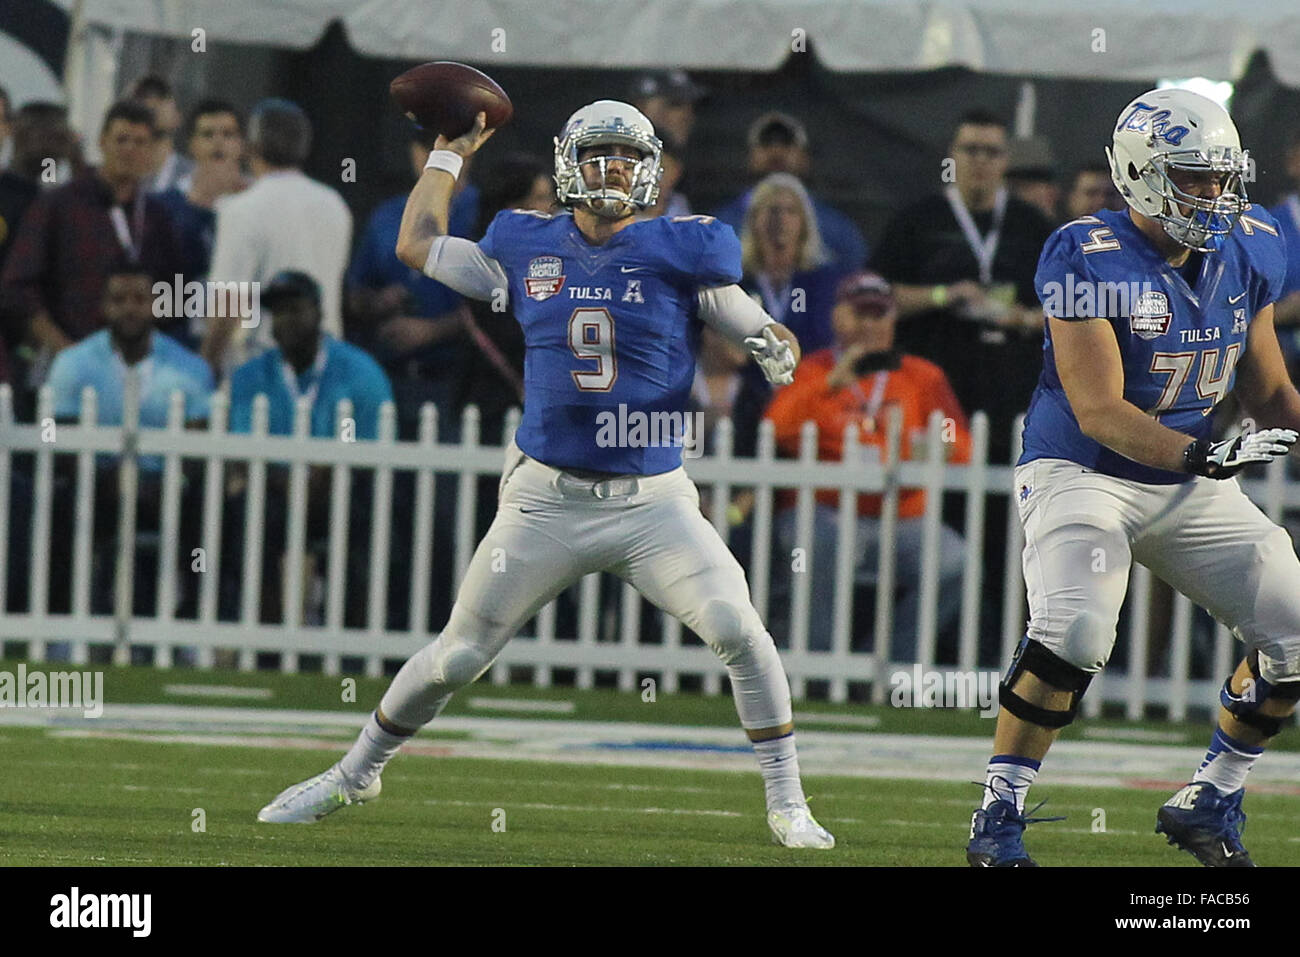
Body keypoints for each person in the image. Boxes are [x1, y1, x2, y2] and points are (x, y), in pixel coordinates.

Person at [257, 99, 835, 849]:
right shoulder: (525, 244)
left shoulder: (683, 248)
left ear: (652, 169)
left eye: (628, 157)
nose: (615, 170)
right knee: (457, 655)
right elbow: (417, 242)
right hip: (546, 500)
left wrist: (766, 335)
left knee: (740, 631)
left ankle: (788, 801)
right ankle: (354, 771)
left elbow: (738, 309)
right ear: (569, 166)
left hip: (652, 502)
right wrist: (447, 153)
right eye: (600, 155)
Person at [966, 88, 1300, 868]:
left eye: (1223, 178)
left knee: (1295, 629)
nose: (1216, 196)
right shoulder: (1087, 253)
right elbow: (1099, 410)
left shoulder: (1249, 245)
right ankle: (998, 813)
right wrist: (1200, 455)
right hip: (1085, 471)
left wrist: (1215, 452)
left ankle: (1211, 798)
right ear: (1142, 174)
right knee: (1076, 631)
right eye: (1196, 178)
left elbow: (1269, 392)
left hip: (1190, 473)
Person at [766, 271, 970, 659]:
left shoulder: (923, 377)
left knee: (955, 561)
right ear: (837, 318)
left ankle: (889, 661)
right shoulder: (812, 370)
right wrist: (832, 386)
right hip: (825, 509)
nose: (870, 325)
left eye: (879, 315)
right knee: (819, 543)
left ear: (893, 321)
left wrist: (925, 446)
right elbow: (776, 428)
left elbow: (959, 442)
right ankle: (818, 662)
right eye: (860, 314)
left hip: (902, 516)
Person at [871, 108, 1053, 466]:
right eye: (971, 150)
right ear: (952, 156)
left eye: (992, 152)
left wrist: (1019, 318)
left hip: (1011, 390)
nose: (981, 161)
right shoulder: (917, 220)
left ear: (1006, 162)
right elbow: (877, 298)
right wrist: (944, 295)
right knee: (938, 491)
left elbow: (1068, 311)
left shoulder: (1033, 226)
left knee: (1004, 497)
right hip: (934, 384)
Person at [223, 271, 394, 627]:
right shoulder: (250, 376)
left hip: (339, 494)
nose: (285, 321)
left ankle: (352, 634)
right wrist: (286, 483)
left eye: (295, 309)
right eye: (278, 313)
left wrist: (325, 475)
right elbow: (242, 451)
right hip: (273, 493)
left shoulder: (361, 373)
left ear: (319, 312)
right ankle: (264, 635)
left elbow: (374, 455)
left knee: (366, 512)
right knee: (245, 512)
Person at [45, 261, 212, 615]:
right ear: (104, 307)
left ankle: (194, 616)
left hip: (169, 489)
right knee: (56, 505)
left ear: (156, 304)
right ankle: (61, 615)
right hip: (96, 487)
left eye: (140, 298)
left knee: (210, 521)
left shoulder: (191, 369)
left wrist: (169, 482)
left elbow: (198, 453)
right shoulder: (72, 365)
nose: (130, 309)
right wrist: (108, 481)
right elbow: (57, 442)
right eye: (119, 299)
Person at [1, 100, 185, 357]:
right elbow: (18, 287)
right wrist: (64, 351)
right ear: (102, 141)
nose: (129, 149)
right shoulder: (59, 205)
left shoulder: (157, 216)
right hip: (69, 358)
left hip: (140, 366)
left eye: (140, 142)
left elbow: (176, 290)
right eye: (122, 139)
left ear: (153, 150)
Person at [202, 98, 351, 375]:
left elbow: (229, 305)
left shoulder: (241, 208)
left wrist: (206, 365)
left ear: (251, 147)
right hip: (326, 364)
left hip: (263, 366)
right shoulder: (335, 205)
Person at [713, 112, 868, 270]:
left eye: (787, 143)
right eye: (766, 143)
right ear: (751, 157)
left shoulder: (838, 228)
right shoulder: (722, 225)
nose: (776, 151)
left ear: (805, 158)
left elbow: (855, 280)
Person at [130, 74, 194, 194]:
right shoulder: (121, 176)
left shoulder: (192, 178)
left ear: (178, 117)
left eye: (162, 97)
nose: (152, 104)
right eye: (143, 97)